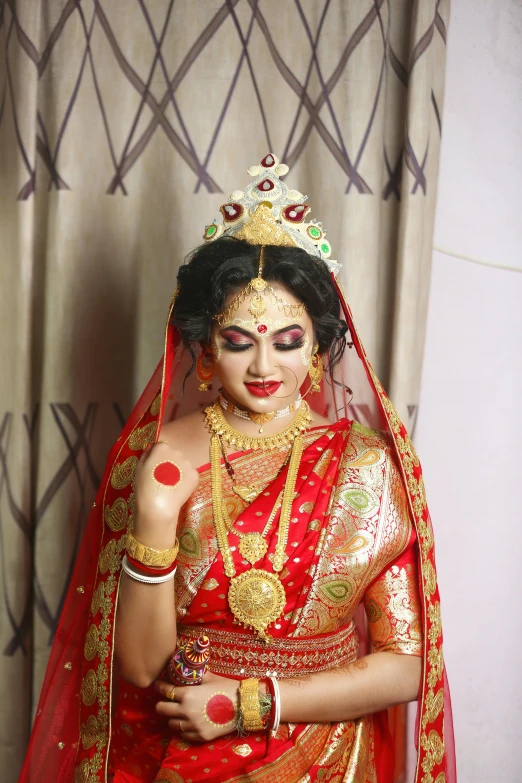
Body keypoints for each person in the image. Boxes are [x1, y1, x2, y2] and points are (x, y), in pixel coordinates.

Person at [19, 154, 455, 783]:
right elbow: (140, 669)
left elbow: (410, 664)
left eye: (287, 342)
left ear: (320, 347)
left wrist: (252, 703)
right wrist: (156, 510)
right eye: (237, 341)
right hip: (182, 742)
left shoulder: (365, 466)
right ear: (203, 349)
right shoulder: (165, 456)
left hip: (322, 752)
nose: (263, 368)